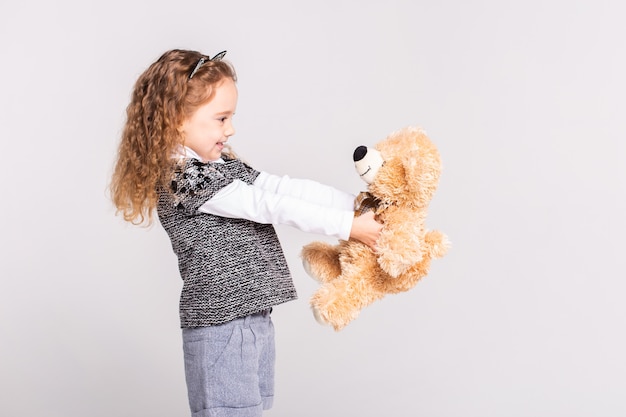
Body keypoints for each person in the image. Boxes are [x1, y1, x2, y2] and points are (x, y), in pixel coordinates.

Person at [109, 49, 382, 417]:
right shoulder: (185, 177)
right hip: (221, 326)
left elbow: (281, 189)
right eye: (221, 118)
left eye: (231, 117)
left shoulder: (219, 164)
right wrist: (349, 227)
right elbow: (268, 205)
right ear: (175, 120)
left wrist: (353, 205)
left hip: (251, 315)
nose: (230, 129)